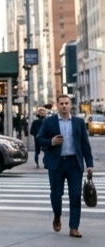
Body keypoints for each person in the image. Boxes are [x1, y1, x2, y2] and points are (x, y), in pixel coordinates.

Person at [36, 94, 94, 238]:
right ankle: (57, 215)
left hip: (74, 163)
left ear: (70, 105)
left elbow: (85, 144)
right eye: (61, 103)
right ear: (57, 105)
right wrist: (51, 142)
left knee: (75, 195)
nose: (64, 106)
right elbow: (39, 138)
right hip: (56, 163)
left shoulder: (78, 122)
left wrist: (89, 164)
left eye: (66, 103)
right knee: (56, 194)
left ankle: (74, 227)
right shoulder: (49, 122)